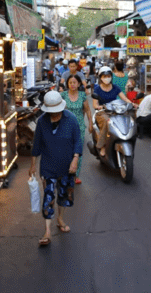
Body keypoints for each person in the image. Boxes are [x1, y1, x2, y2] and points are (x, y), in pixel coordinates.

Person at [28, 91, 82, 247]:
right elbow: (36, 145)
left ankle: (60, 218)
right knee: (48, 197)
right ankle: (47, 231)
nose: (54, 114)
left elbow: (77, 140)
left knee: (64, 195)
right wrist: (32, 165)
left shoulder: (71, 119)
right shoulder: (42, 122)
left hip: (67, 166)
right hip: (48, 167)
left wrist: (75, 159)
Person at [92, 66, 131, 158]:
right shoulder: (97, 89)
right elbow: (94, 104)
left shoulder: (115, 87)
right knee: (107, 122)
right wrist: (99, 106)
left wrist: (132, 104)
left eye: (108, 76)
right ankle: (102, 146)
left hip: (115, 111)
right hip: (102, 112)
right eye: (104, 76)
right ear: (100, 78)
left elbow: (124, 98)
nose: (106, 78)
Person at [59, 75, 91, 185]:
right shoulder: (63, 95)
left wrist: (90, 123)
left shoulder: (82, 95)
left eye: (75, 82)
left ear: (79, 84)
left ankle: (75, 175)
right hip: (65, 127)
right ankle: (66, 172)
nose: (72, 84)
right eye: (70, 82)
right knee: (66, 151)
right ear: (67, 84)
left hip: (80, 127)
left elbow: (87, 110)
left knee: (78, 151)